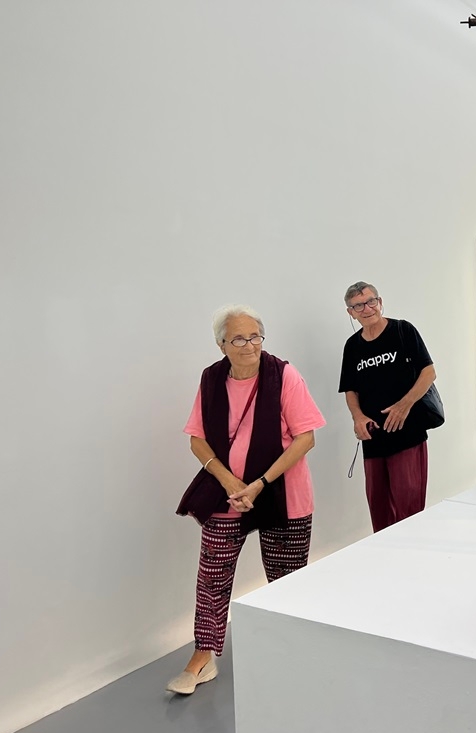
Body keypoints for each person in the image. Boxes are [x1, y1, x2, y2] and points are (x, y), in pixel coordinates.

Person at [168, 304, 326, 695]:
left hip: (283, 494)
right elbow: (197, 439)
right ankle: (203, 657)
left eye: (255, 336)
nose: (250, 345)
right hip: (227, 495)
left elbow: (305, 438)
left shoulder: (284, 375)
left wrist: (258, 484)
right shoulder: (211, 379)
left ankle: (290, 650)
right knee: (212, 578)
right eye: (239, 339)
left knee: (286, 580)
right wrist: (229, 482)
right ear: (221, 345)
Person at [339, 282, 436, 532]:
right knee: (379, 513)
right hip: (373, 439)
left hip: (407, 435)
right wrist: (358, 418)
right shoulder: (352, 346)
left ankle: (412, 554)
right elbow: (350, 389)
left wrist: (404, 405)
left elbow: (428, 373)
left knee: (409, 513)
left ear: (380, 302)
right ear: (351, 312)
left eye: (371, 301)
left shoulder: (403, 330)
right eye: (358, 306)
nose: (367, 308)